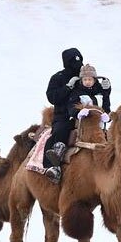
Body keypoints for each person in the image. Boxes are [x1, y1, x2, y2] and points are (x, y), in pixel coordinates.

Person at [42, 47, 84, 183]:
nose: (77, 64)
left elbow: (94, 89)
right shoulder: (58, 78)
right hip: (64, 116)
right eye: (73, 61)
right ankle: (53, 166)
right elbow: (52, 97)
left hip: (84, 115)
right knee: (60, 131)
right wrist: (67, 87)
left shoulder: (84, 75)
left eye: (79, 60)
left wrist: (105, 89)